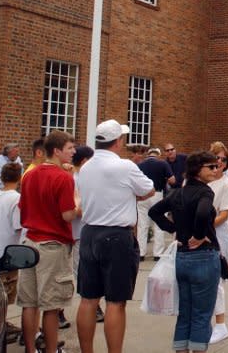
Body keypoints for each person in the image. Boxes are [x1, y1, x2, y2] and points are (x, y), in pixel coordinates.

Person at [76, 120, 155, 353]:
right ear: (118, 142)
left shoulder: (86, 167)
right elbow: (148, 189)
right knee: (115, 301)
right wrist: (130, 197)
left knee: (88, 299)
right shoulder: (124, 166)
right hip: (116, 235)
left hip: (89, 233)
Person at [149, 152, 222, 353]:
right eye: (211, 166)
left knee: (185, 312)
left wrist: (175, 229)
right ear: (198, 170)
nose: (216, 170)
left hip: (182, 257)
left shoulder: (177, 193)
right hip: (203, 257)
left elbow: (154, 211)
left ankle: (181, 349)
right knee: (201, 314)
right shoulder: (205, 192)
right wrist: (198, 235)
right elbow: (202, 212)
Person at [17, 130, 79, 353]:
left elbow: (23, 208)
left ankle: (31, 349)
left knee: (29, 302)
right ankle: (51, 350)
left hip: (30, 241)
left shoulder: (30, 175)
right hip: (52, 244)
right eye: (70, 148)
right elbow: (68, 215)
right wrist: (78, 202)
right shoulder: (63, 178)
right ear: (56, 151)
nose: (73, 152)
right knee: (51, 306)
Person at [67, 146, 103, 326]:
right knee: (79, 270)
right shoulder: (75, 180)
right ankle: (90, 306)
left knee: (83, 269)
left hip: (84, 231)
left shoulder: (81, 178)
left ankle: (91, 304)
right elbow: (76, 208)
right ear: (84, 161)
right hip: (77, 232)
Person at [0, 162, 23, 340]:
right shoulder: (16, 199)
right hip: (8, 252)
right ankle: (0, 327)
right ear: (19, 178)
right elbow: (18, 226)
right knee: (4, 295)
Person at [209, 142, 228, 344]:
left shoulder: (226, 184)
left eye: (223, 159)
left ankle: (220, 324)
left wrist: (203, 228)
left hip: (217, 236)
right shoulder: (202, 180)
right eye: (216, 158)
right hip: (199, 235)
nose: (219, 162)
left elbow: (224, 214)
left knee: (217, 280)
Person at [137, 147, 173, 261]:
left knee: (142, 225)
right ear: (158, 155)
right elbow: (172, 180)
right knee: (158, 224)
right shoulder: (162, 163)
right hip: (157, 194)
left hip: (143, 195)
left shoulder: (140, 165)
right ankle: (158, 253)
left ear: (148, 154)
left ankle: (141, 253)